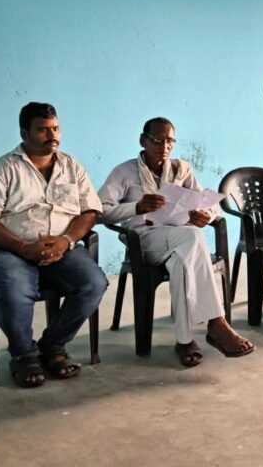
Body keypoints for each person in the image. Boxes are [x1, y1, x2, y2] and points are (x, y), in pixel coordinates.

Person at [0, 102, 108, 388]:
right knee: (14, 290)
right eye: (43, 130)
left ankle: (52, 347)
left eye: (55, 128)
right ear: (24, 133)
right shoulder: (2, 169)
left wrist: (66, 241)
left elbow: (90, 211)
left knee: (94, 283)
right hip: (11, 249)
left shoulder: (71, 166)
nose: (52, 135)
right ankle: (23, 356)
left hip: (61, 247)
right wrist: (23, 248)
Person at [98, 117, 254, 366]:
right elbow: (100, 211)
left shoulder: (182, 169)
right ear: (143, 140)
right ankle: (216, 321)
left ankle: (184, 341)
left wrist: (205, 215)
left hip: (180, 240)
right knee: (193, 236)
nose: (164, 146)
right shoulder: (124, 172)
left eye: (170, 141)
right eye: (157, 140)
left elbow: (209, 203)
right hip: (145, 241)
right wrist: (135, 207)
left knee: (181, 262)